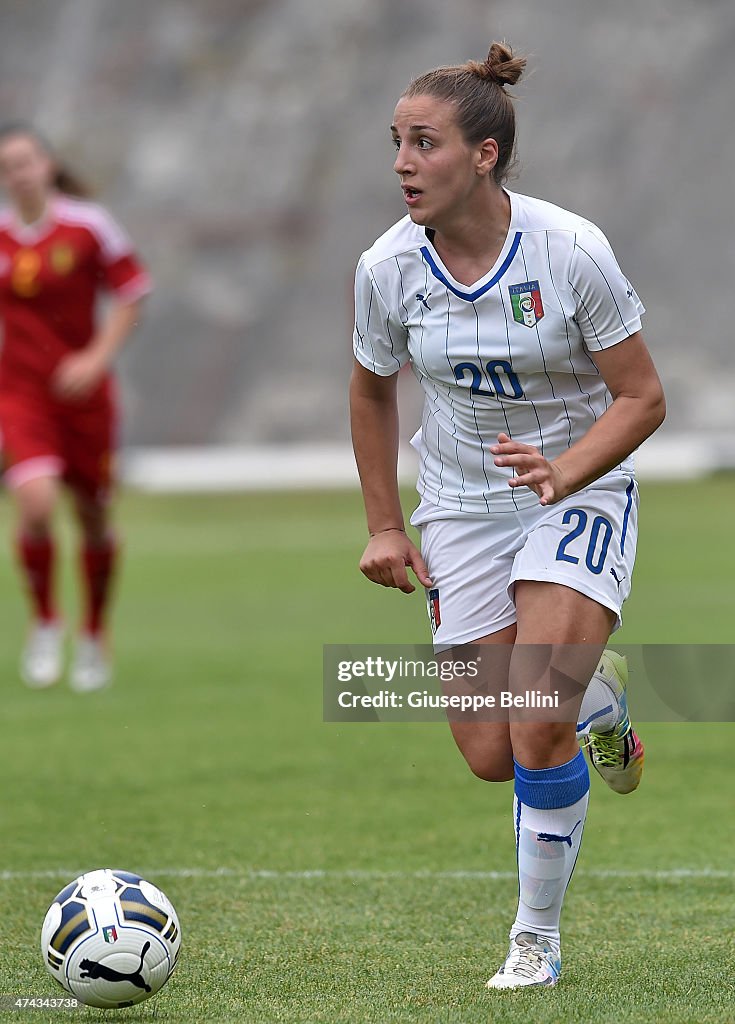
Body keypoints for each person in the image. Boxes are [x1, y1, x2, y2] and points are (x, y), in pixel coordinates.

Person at [350, 43, 665, 989]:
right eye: (395, 143)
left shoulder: (569, 250)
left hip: (578, 489)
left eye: (424, 143)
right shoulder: (385, 269)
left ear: (482, 155)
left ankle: (534, 938)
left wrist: (565, 472)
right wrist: (385, 525)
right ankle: (600, 700)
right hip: (457, 506)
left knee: (533, 719)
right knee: (492, 753)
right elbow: (370, 395)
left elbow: (642, 398)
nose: (403, 162)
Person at [0, 123, 151, 691]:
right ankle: (45, 621)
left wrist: (95, 358)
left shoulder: (88, 225)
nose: (20, 172)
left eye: (27, 160)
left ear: (47, 165)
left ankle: (92, 633)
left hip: (86, 399)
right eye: (8, 165)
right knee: (35, 504)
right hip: (20, 393)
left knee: (92, 518)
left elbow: (133, 291)